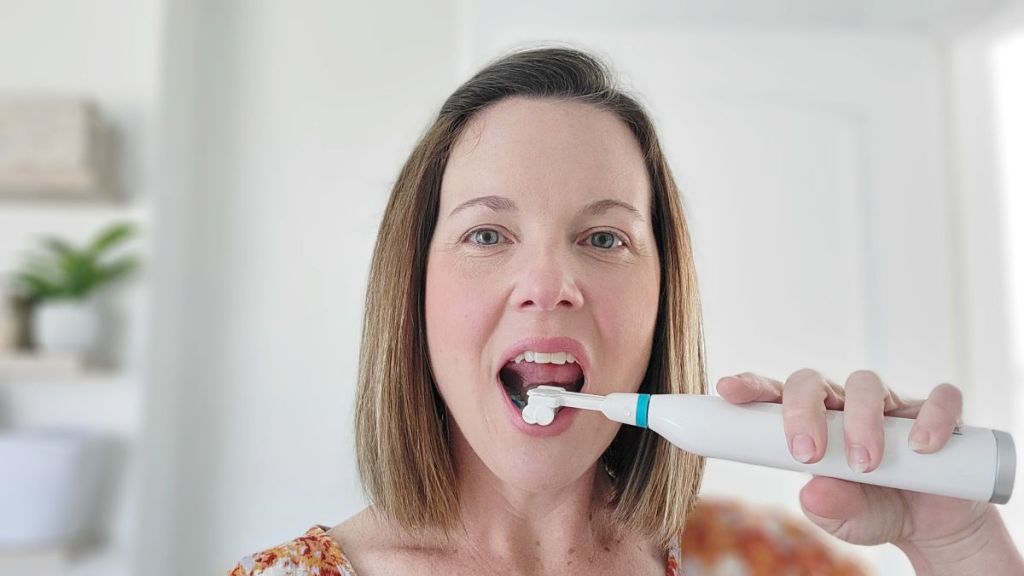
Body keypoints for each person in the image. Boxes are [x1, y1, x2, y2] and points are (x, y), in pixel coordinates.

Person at [229, 46, 1024, 575]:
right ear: (413, 291)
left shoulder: (759, 559)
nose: (550, 282)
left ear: (662, 297)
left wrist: (956, 544)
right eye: (487, 232)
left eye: (604, 237)